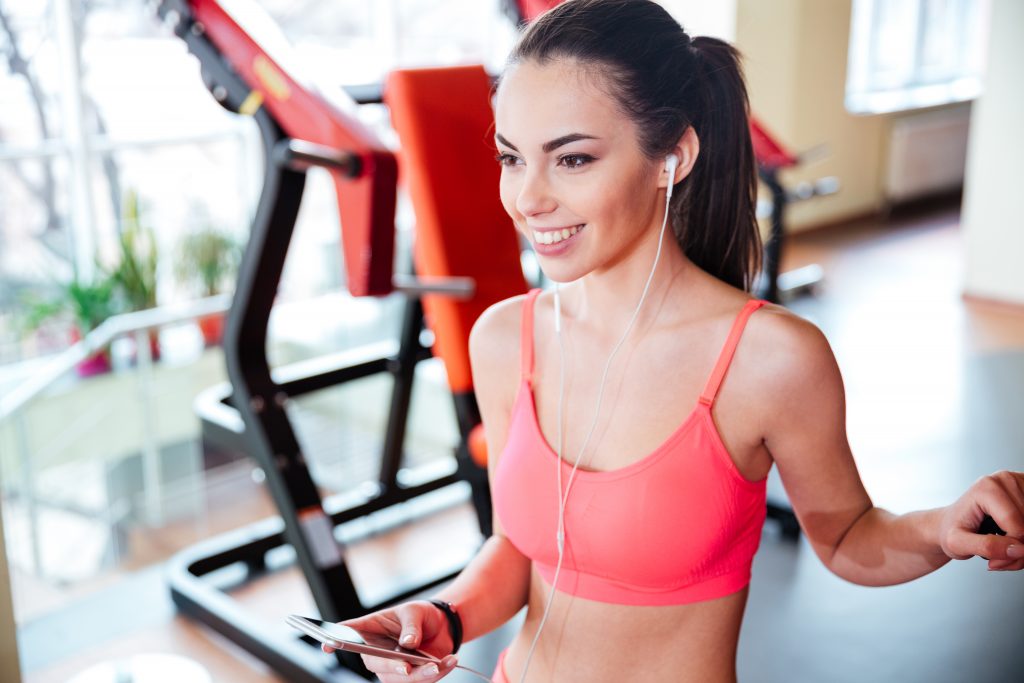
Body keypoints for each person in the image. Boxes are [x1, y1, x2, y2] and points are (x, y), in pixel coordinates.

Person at [327, 1, 1024, 681]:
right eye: (513, 158)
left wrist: (941, 528)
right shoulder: (505, 338)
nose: (528, 197)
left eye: (571, 160)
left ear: (672, 157)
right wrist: (442, 615)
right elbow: (519, 546)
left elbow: (848, 538)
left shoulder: (769, 358)